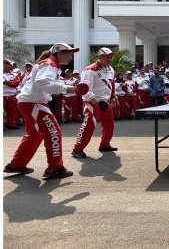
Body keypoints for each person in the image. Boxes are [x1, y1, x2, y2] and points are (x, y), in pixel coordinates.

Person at [4, 42, 78, 178]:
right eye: (68, 53)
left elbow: (47, 82)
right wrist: (66, 88)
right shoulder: (49, 64)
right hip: (34, 103)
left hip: (32, 102)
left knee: (35, 134)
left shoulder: (51, 64)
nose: (70, 57)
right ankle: (55, 167)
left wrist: (67, 86)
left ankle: (17, 164)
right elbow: (42, 82)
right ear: (59, 53)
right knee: (54, 132)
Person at [72, 47, 117, 158]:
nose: (109, 59)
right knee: (88, 125)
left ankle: (105, 145)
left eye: (110, 57)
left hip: (106, 102)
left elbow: (112, 85)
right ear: (100, 57)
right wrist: (95, 101)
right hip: (92, 102)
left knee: (109, 125)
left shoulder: (110, 69)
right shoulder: (90, 70)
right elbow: (85, 89)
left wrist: (112, 97)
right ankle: (77, 149)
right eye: (107, 57)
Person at [3, 59, 20, 129]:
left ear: (10, 66)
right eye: (4, 64)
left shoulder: (15, 75)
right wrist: (10, 82)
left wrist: (6, 82)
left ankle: (11, 124)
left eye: (6, 64)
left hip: (12, 95)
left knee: (12, 110)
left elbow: (16, 83)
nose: (4, 65)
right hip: (2, 94)